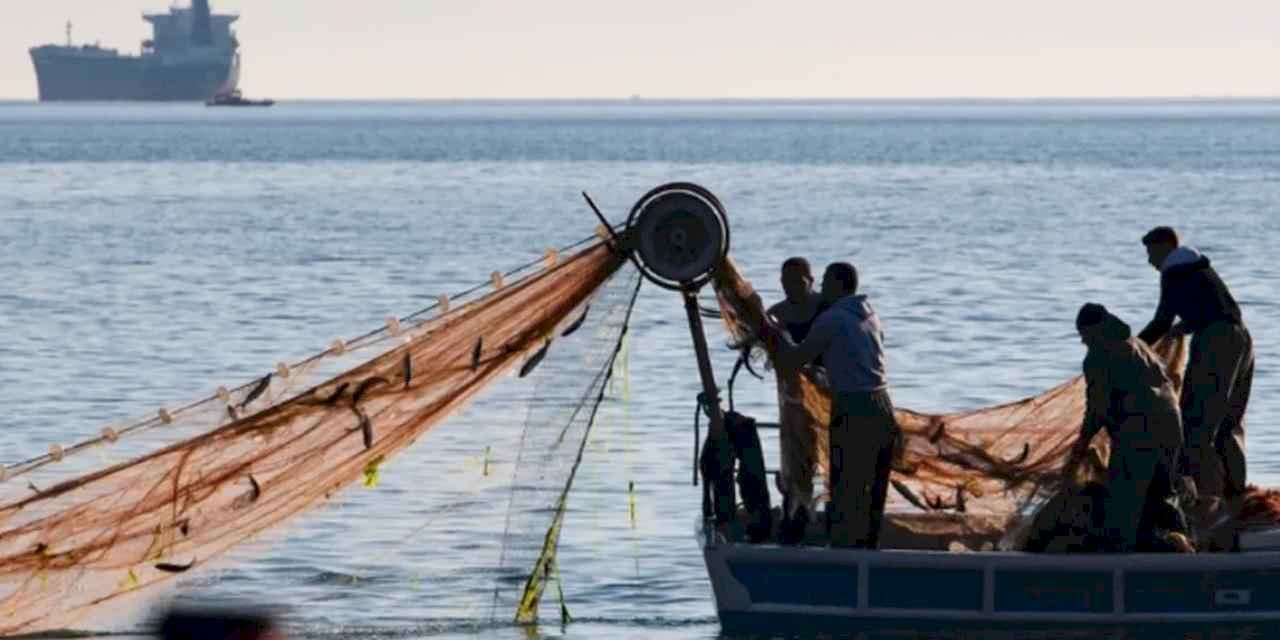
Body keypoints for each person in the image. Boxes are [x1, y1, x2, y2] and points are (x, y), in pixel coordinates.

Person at [764, 262, 897, 549]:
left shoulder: (832, 319)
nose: (822, 287)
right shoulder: (870, 314)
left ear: (839, 285)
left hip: (854, 407)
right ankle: (868, 550)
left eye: (826, 281)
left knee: (845, 484)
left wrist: (776, 337)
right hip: (883, 405)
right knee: (873, 486)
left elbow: (794, 360)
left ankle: (842, 551)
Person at [1137, 227, 1253, 512]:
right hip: (1242, 339)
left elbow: (1161, 321)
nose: (1150, 262)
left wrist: (1133, 346)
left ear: (1166, 247)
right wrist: (1186, 326)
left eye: (1151, 253)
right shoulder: (1199, 269)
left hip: (1216, 344)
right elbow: (1211, 308)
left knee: (1196, 424)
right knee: (1229, 424)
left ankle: (1207, 501)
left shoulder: (1174, 272)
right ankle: (1235, 494)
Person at [1071, 303, 1186, 552]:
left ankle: (1118, 554)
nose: (1083, 342)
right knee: (1163, 493)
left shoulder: (1098, 354)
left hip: (1139, 430)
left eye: (1084, 335)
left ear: (1094, 330)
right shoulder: (1137, 344)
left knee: (1125, 498)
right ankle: (1182, 545)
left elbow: (1097, 407)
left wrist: (1082, 442)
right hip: (1171, 423)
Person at [766, 257, 824, 544]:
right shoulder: (776, 314)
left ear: (811, 281)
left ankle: (818, 509)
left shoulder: (826, 309)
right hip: (791, 398)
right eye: (785, 282)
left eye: (797, 282)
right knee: (795, 455)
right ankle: (796, 509)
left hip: (826, 395)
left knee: (823, 454)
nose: (791, 288)